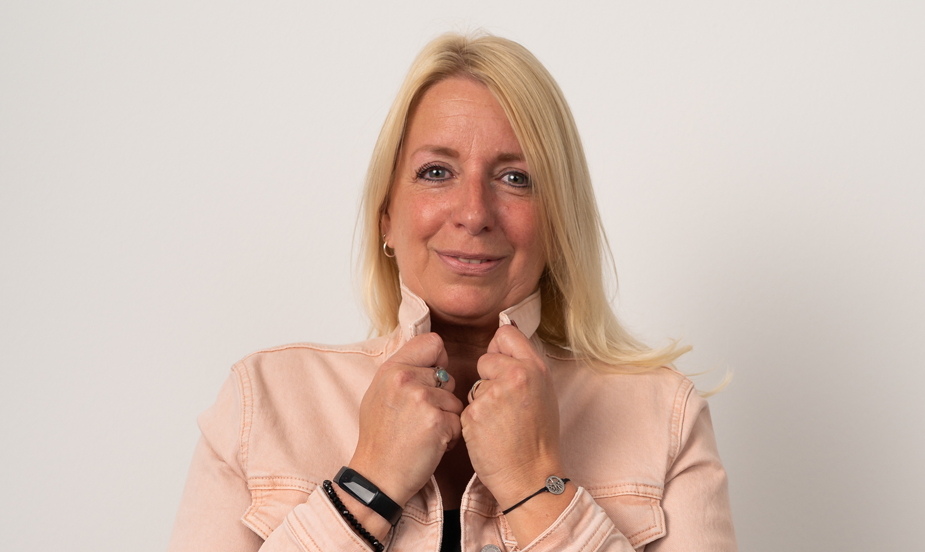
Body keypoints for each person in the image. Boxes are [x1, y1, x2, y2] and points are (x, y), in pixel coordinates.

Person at [168, 33, 737, 552]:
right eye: (437, 172)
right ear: (387, 215)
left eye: (515, 178)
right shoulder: (261, 403)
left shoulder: (664, 417)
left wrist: (536, 488)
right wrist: (368, 485)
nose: (473, 212)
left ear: (560, 224)